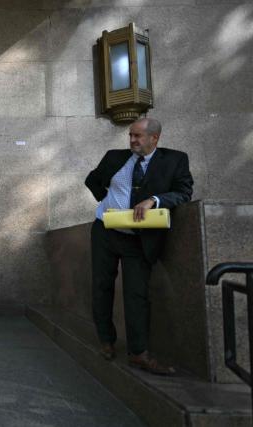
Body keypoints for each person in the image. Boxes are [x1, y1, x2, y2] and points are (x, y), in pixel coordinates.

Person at [85, 117, 193, 375]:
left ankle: (139, 353)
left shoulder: (175, 160)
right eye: (131, 135)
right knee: (102, 286)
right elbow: (92, 180)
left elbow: (184, 192)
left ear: (154, 138)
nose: (132, 140)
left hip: (139, 239)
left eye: (138, 136)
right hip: (105, 232)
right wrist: (108, 202)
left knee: (137, 294)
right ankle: (106, 341)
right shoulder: (114, 157)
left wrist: (154, 200)